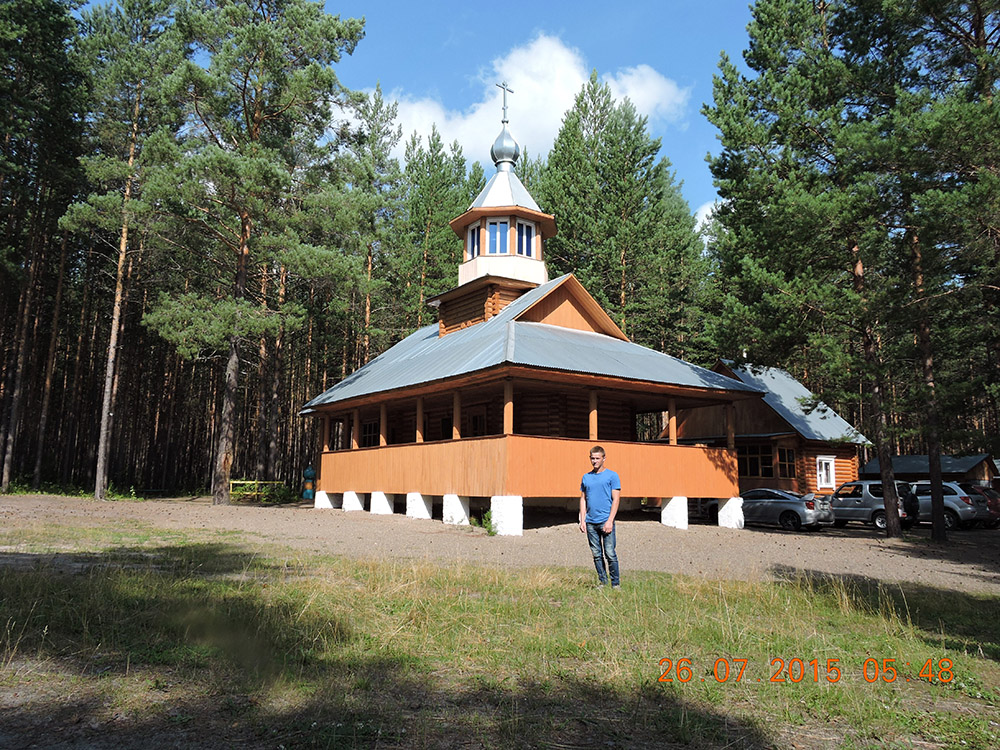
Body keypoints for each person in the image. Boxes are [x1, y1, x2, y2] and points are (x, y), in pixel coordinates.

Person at [579, 445, 621, 588]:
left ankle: (615, 584)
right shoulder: (586, 477)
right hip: (590, 522)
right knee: (597, 554)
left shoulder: (612, 476)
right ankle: (603, 582)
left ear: (604, 458)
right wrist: (582, 519)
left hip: (605, 521)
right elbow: (583, 498)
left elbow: (616, 499)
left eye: (597, 458)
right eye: (592, 458)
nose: (594, 461)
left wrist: (610, 520)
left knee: (610, 553)